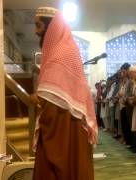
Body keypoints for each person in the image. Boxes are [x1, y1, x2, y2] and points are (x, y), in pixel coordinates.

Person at [30, 7, 97, 180]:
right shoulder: (66, 48)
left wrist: (40, 101)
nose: (35, 31)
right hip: (70, 123)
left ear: (50, 25)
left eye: (38, 25)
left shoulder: (59, 54)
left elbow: (53, 101)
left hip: (63, 124)